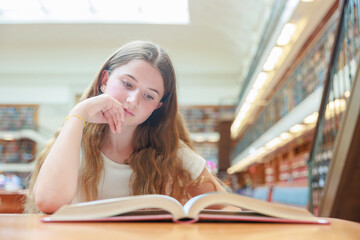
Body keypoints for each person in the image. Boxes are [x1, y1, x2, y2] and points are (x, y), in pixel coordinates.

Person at [25, 40, 225, 213]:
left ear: (157, 106)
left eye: (149, 96)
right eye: (128, 84)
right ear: (105, 80)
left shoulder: (171, 153)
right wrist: (79, 114)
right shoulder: (73, 138)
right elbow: (48, 201)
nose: (132, 100)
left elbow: (228, 208)